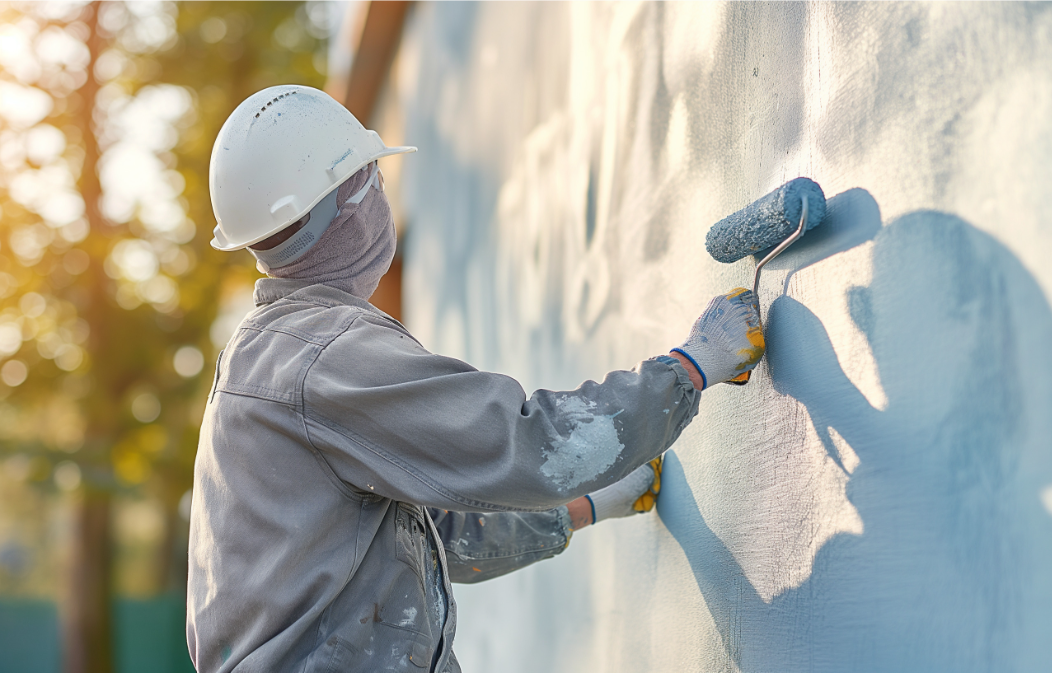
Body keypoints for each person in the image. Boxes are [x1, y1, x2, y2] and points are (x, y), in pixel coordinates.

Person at [186, 85, 765, 673]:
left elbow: (430, 533)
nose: (383, 195)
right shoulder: (324, 356)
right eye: (371, 180)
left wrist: (582, 508)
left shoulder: (268, 356)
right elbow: (531, 445)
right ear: (344, 208)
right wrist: (691, 367)